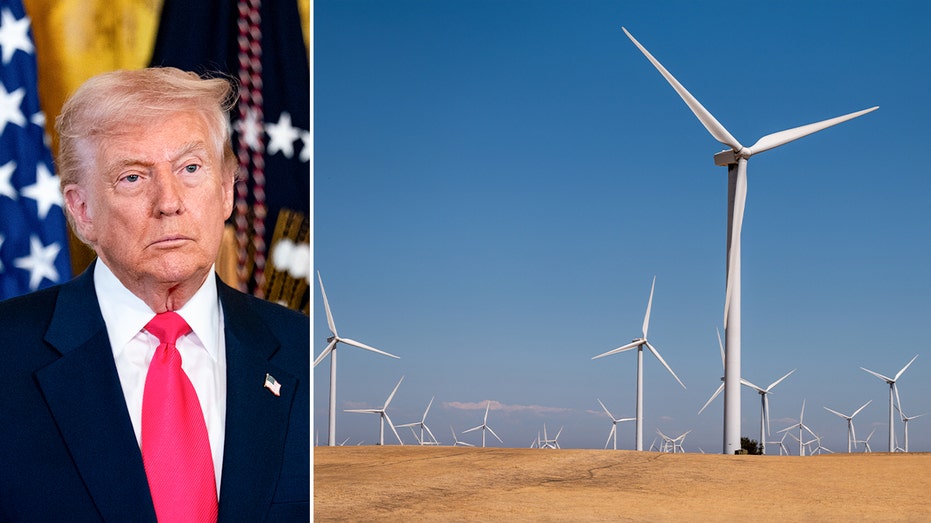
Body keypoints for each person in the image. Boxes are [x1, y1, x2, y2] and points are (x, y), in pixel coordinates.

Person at [0, 67, 309, 521]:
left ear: (226, 190)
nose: (168, 201)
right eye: (132, 177)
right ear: (82, 211)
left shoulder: (303, 351)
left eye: (190, 168)